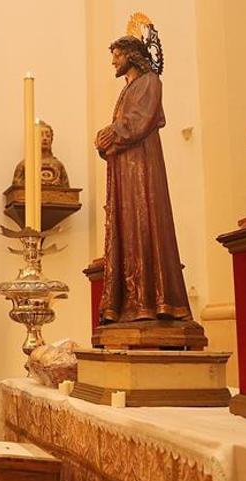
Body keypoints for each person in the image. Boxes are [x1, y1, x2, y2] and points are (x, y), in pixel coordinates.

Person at [94, 36, 191, 324]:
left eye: (117, 55)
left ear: (131, 55)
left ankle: (155, 300)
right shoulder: (128, 88)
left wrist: (109, 134)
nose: (113, 61)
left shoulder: (149, 81)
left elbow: (139, 121)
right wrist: (106, 139)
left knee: (144, 219)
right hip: (125, 165)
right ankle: (129, 303)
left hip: (142, 166)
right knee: (128, 224)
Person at [12, 120, 71, 188]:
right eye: (40, 135)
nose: (45, 138)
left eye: (48, 136)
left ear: (51, 140)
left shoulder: (58, 165)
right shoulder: (24, 165)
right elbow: (17, 192)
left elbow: (67, 191)